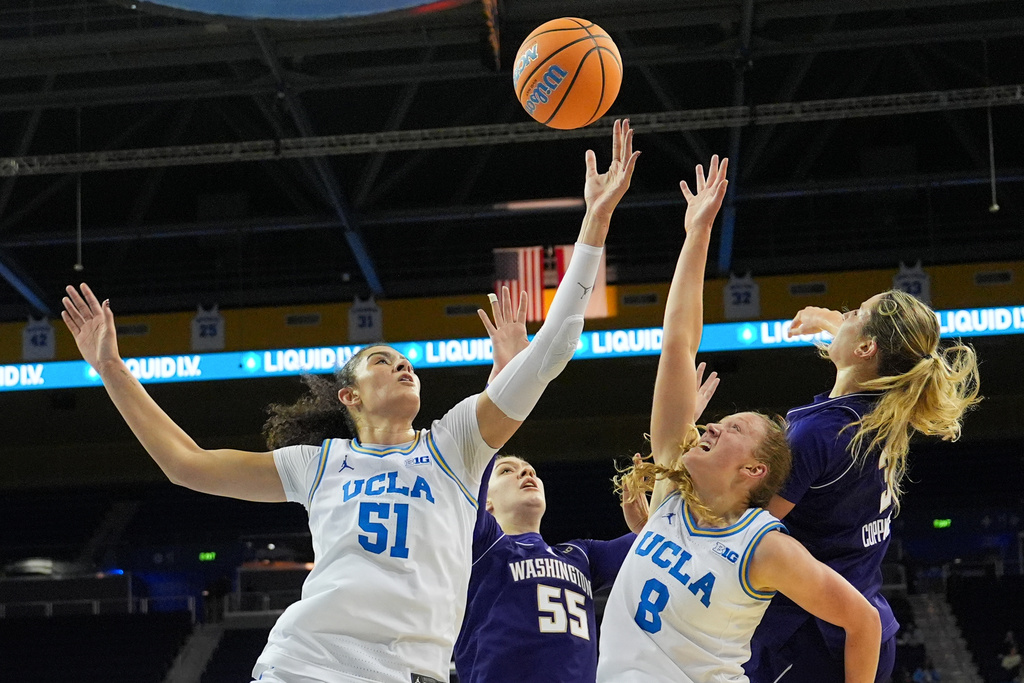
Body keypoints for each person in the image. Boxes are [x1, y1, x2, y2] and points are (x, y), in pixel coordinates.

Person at [60, 120, 640, 683]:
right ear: (350, 395)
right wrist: (111, 368)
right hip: (304, 664)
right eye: (383, 362)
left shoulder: (454, 446)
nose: (403, 365)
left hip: (407, 671)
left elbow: (557, 344)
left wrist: (594, 222)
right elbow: (185, 465)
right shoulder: (318, 465)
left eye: (407, 361)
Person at [595, 156, 882, 682]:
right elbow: (679, 341)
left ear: (754, 471)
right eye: (718, 423)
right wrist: (696, 233)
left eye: (733, 430)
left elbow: (863, 621)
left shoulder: (765, 545)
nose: (710, 426)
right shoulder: (669, 497)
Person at [454, 285, 721, 683]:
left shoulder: (579, 555)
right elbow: (476, 450)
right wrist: (504, 376)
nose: (527, 473)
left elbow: (668, 539)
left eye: (529, 469)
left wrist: (682, 432)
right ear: (486, 501)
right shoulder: (480, 544)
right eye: (507, 471)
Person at [745, 289, 980, 682]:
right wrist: (835, 326)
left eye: (854, 312)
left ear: (868, 347)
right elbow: (882, 357)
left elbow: (749, 533)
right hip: (863, 627)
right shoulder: (887, 408)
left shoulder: (817, 434)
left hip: (809, 640)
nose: (844, 312)